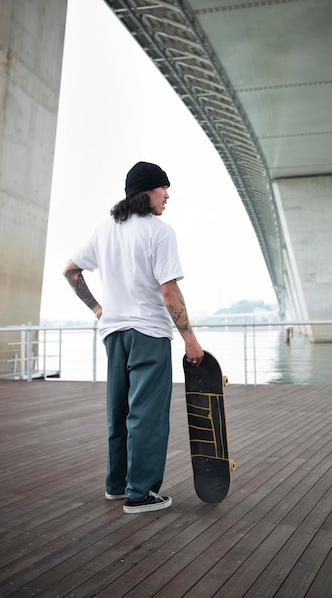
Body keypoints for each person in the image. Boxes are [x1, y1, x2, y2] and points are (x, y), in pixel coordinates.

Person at [63, 161, 204, 514]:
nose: (167, 195)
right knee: (148, 415)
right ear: (147, 192)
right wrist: (189, 338)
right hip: (148, 333)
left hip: (114, 333)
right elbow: (169, 291)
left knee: (119, 410)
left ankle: (116, 485)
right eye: (163, 189)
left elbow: (71, 271)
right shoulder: (159, 231)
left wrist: (99, 310)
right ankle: (140, 494)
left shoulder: (104, 229)